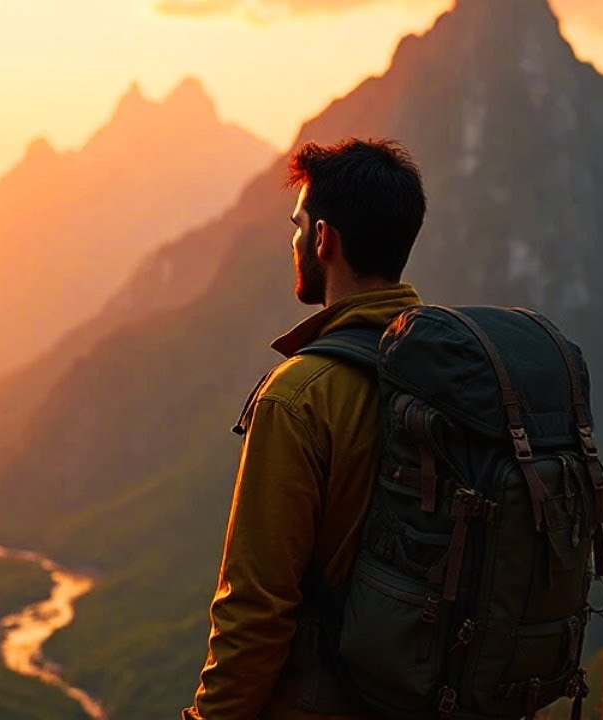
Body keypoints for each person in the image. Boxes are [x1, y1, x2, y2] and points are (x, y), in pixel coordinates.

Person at [182, 138, 428, 720]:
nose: (292, 242)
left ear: (324, 239)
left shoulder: (298, 398)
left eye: (297, 226)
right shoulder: (444, 373)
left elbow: (254, 613)